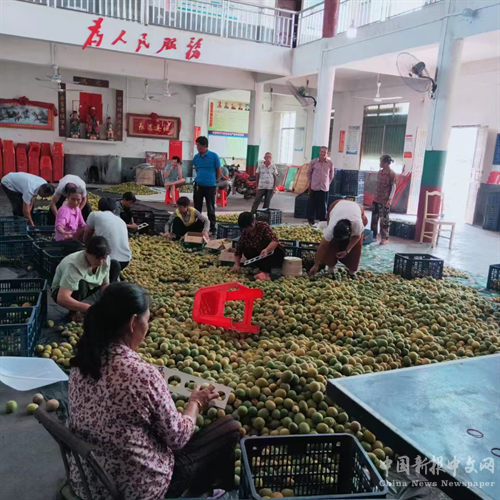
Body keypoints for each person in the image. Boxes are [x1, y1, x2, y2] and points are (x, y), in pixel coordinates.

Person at [68, 282, 240, 500]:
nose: (148, 327)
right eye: (147, 320)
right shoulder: (143, 375)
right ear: (133, 322)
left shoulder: (81, 361)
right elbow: (178, 437)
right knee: (230, 427)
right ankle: (199, 492)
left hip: (88, 481)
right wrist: (196, 403)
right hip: (135, 489)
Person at [51, 236, 120, 319]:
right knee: (82, 284)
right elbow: (62, 298)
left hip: (91, 284)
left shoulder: (106, 259)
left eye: (104, 258)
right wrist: (89, 308)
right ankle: (73, 311)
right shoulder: (74, 266)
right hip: (62, 291)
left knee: (115, 265)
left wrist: (107, 302)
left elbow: (105, 284)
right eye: (97, 258)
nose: (101, 262)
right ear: (86, 252)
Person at [309, 199, 368, 279]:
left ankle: (352, 272)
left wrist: (347, 250)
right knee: (332, 243)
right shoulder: (330, 229)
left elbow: (357, 237)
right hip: (337, 205)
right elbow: (322, 247)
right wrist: (316, 265)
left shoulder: (357, 225)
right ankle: (330, 270)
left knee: (357, 246)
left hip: (355, 207)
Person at [233, 212, 285, 281]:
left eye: (247, 228)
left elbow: (274, 241)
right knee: (248, 251)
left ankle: (269, 274)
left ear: (253, 222)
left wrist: (267, 250)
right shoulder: (245, 233)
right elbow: (239, 250)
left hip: (270, 254)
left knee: (277, 257)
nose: (246, 230)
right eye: (244, 228)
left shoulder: (263, 227)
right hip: (259, 257)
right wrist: (237, 264)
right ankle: (261, 271)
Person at [85, 197, 132, 272]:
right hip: (125, 260)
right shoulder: (121, 221)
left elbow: (87, 233)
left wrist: (84, 246)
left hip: (105, 259)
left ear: (99, 208)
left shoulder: (94, 215)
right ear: (114, 211)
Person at [193, 136, 221, 235]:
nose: (197, 147)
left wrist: (212, 180)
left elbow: (218, 171)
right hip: (198, 185)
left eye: (199, 145)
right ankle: (198, 226)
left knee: (210, 208)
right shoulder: (196, 157)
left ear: (204, 145)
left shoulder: (214, 156)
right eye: (197, 145)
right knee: (197, 208)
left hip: (210, 186)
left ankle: (212, 228)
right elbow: (197, 169)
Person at [371, 154, 397, 245]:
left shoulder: (392, 174)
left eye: (381, 162)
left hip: (385, 200)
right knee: (374, 219)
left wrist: (390, 199)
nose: (380, 164)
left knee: (384, 220)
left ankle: (385, 237)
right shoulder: (379, 173)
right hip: (376, 199)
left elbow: (393, 187)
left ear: (386, 163)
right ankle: (373, 236)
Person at [307, 147, 334, 225]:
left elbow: (331, 175)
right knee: (312, 205)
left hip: (324, 187)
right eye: (322, 152)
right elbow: (309, 173)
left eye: (325, 152)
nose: (323, 153)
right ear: (319, 152)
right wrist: (312, 181)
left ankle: (322, 221)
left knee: (323, 206)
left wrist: (327, 183)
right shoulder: (313, 162)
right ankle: (311, 221)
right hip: (314, 187)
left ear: (327, 153)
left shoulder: (330, 163)